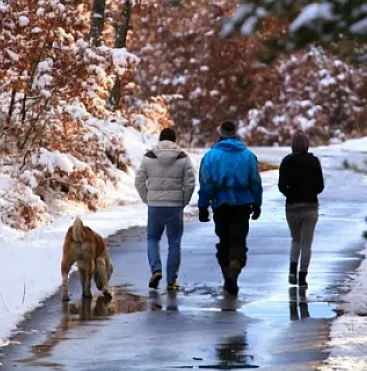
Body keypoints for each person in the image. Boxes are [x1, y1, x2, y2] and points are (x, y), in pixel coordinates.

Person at [198, 121, 263, 296]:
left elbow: (206, 183)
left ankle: (227, 272)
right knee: (238, 239)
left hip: (221, 205)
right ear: (235, 133)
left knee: (224, 240)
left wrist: (203, 206)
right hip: (242, 204)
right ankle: (234, 268)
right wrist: (257, 203)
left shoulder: (210, 157)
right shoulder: (247, 155)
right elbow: (255, 181)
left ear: (220, 133)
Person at [135, 128, 196, 291]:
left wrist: (148, 199)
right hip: (175, 206)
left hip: (155, 206)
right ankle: (171, 281)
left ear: (160, 139)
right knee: (174, 242)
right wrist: (183, 201)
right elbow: (190, 182)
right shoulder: (183, 157)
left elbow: (139, 181)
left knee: (152, 239)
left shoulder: (149, 157)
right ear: (175, 140)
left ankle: (156, 269)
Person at [278, 131, 324, 288]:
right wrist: (310, 192)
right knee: (306, 244)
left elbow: (281, 186)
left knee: (296, 239)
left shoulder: (286, 162)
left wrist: (290, 194)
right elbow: (320, 186)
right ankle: (303, 277)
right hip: (310, 206)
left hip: (292, 207)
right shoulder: (314, 162)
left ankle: (292, 269)